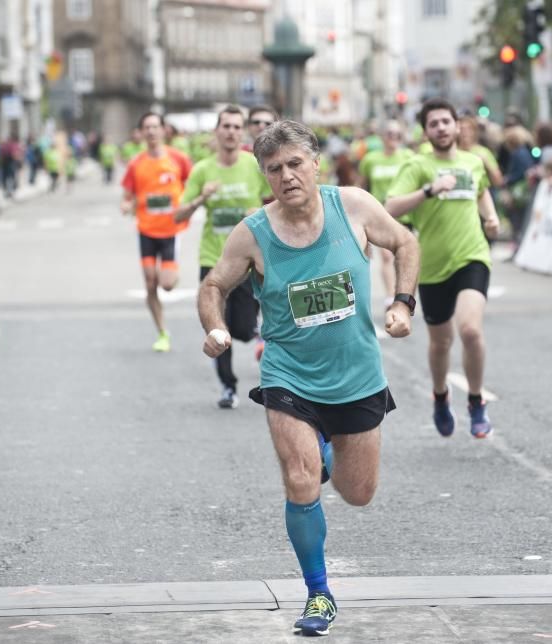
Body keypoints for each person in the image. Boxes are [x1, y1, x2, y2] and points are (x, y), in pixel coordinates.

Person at [198, 120, 419, 637]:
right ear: (265, 176)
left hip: (357, 374)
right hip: (289, 373)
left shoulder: (355, 206)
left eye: (295, 163)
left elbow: (404, 243)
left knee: (357, 491)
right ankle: (319, 594)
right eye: (274, 169)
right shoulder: (253, 232)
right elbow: (214, 283)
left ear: (316, 163)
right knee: (300, 478)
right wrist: (214, 326)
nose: (287, 176)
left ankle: (325, 449)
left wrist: (403, 304)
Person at [385, 98, 501, 439]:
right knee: (440, 344)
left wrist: (490, 217)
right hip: (433, 265)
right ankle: (440, 396)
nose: (441, 128)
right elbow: (390, 206)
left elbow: (481, 192)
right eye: (433, 123)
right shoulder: (417, 165)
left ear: (457, 125)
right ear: (426, 131)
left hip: (472, 256)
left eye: (446, 122)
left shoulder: (473, 162)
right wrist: (429, 190)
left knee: (470, 331)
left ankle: (476, 402)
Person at [175, 105, 272, 408]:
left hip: (246, 258)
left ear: (242, 132)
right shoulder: (203, 169)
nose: (231, 132)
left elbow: (278, 203)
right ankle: (228, 387)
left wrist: (260, 213)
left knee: (242, 327)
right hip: (213, 258)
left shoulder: (253, 166)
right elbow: (178, 213)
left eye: (236, 127)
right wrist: (202, 197)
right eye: (226, 126)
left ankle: (256, 334)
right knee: (218, 328)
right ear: (216, 131)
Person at [120, 112, 192, 352]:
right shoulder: (136, 164)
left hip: (171, 229)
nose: (151, 132)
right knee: (150, 284)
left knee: (167, 285)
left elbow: (191, 185)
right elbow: (128, 195)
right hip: (146, 230)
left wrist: (188, 204)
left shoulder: (179, 159)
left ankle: (171, 275)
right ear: (141, 133)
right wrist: (126, 204)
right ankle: (162, 332)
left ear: (163, 130)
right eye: (146, 128)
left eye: (155, 127)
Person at [358, 121, 414, 306]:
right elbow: (362, 185)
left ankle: (403, 293)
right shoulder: (371, 159)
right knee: (386, 256)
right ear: (383, 136)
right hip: (380, 214)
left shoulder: (408, 156)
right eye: (390, 134)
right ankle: (391, 296)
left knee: (404, 256)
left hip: (404, 214)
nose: (393, 138)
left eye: (398, 135)